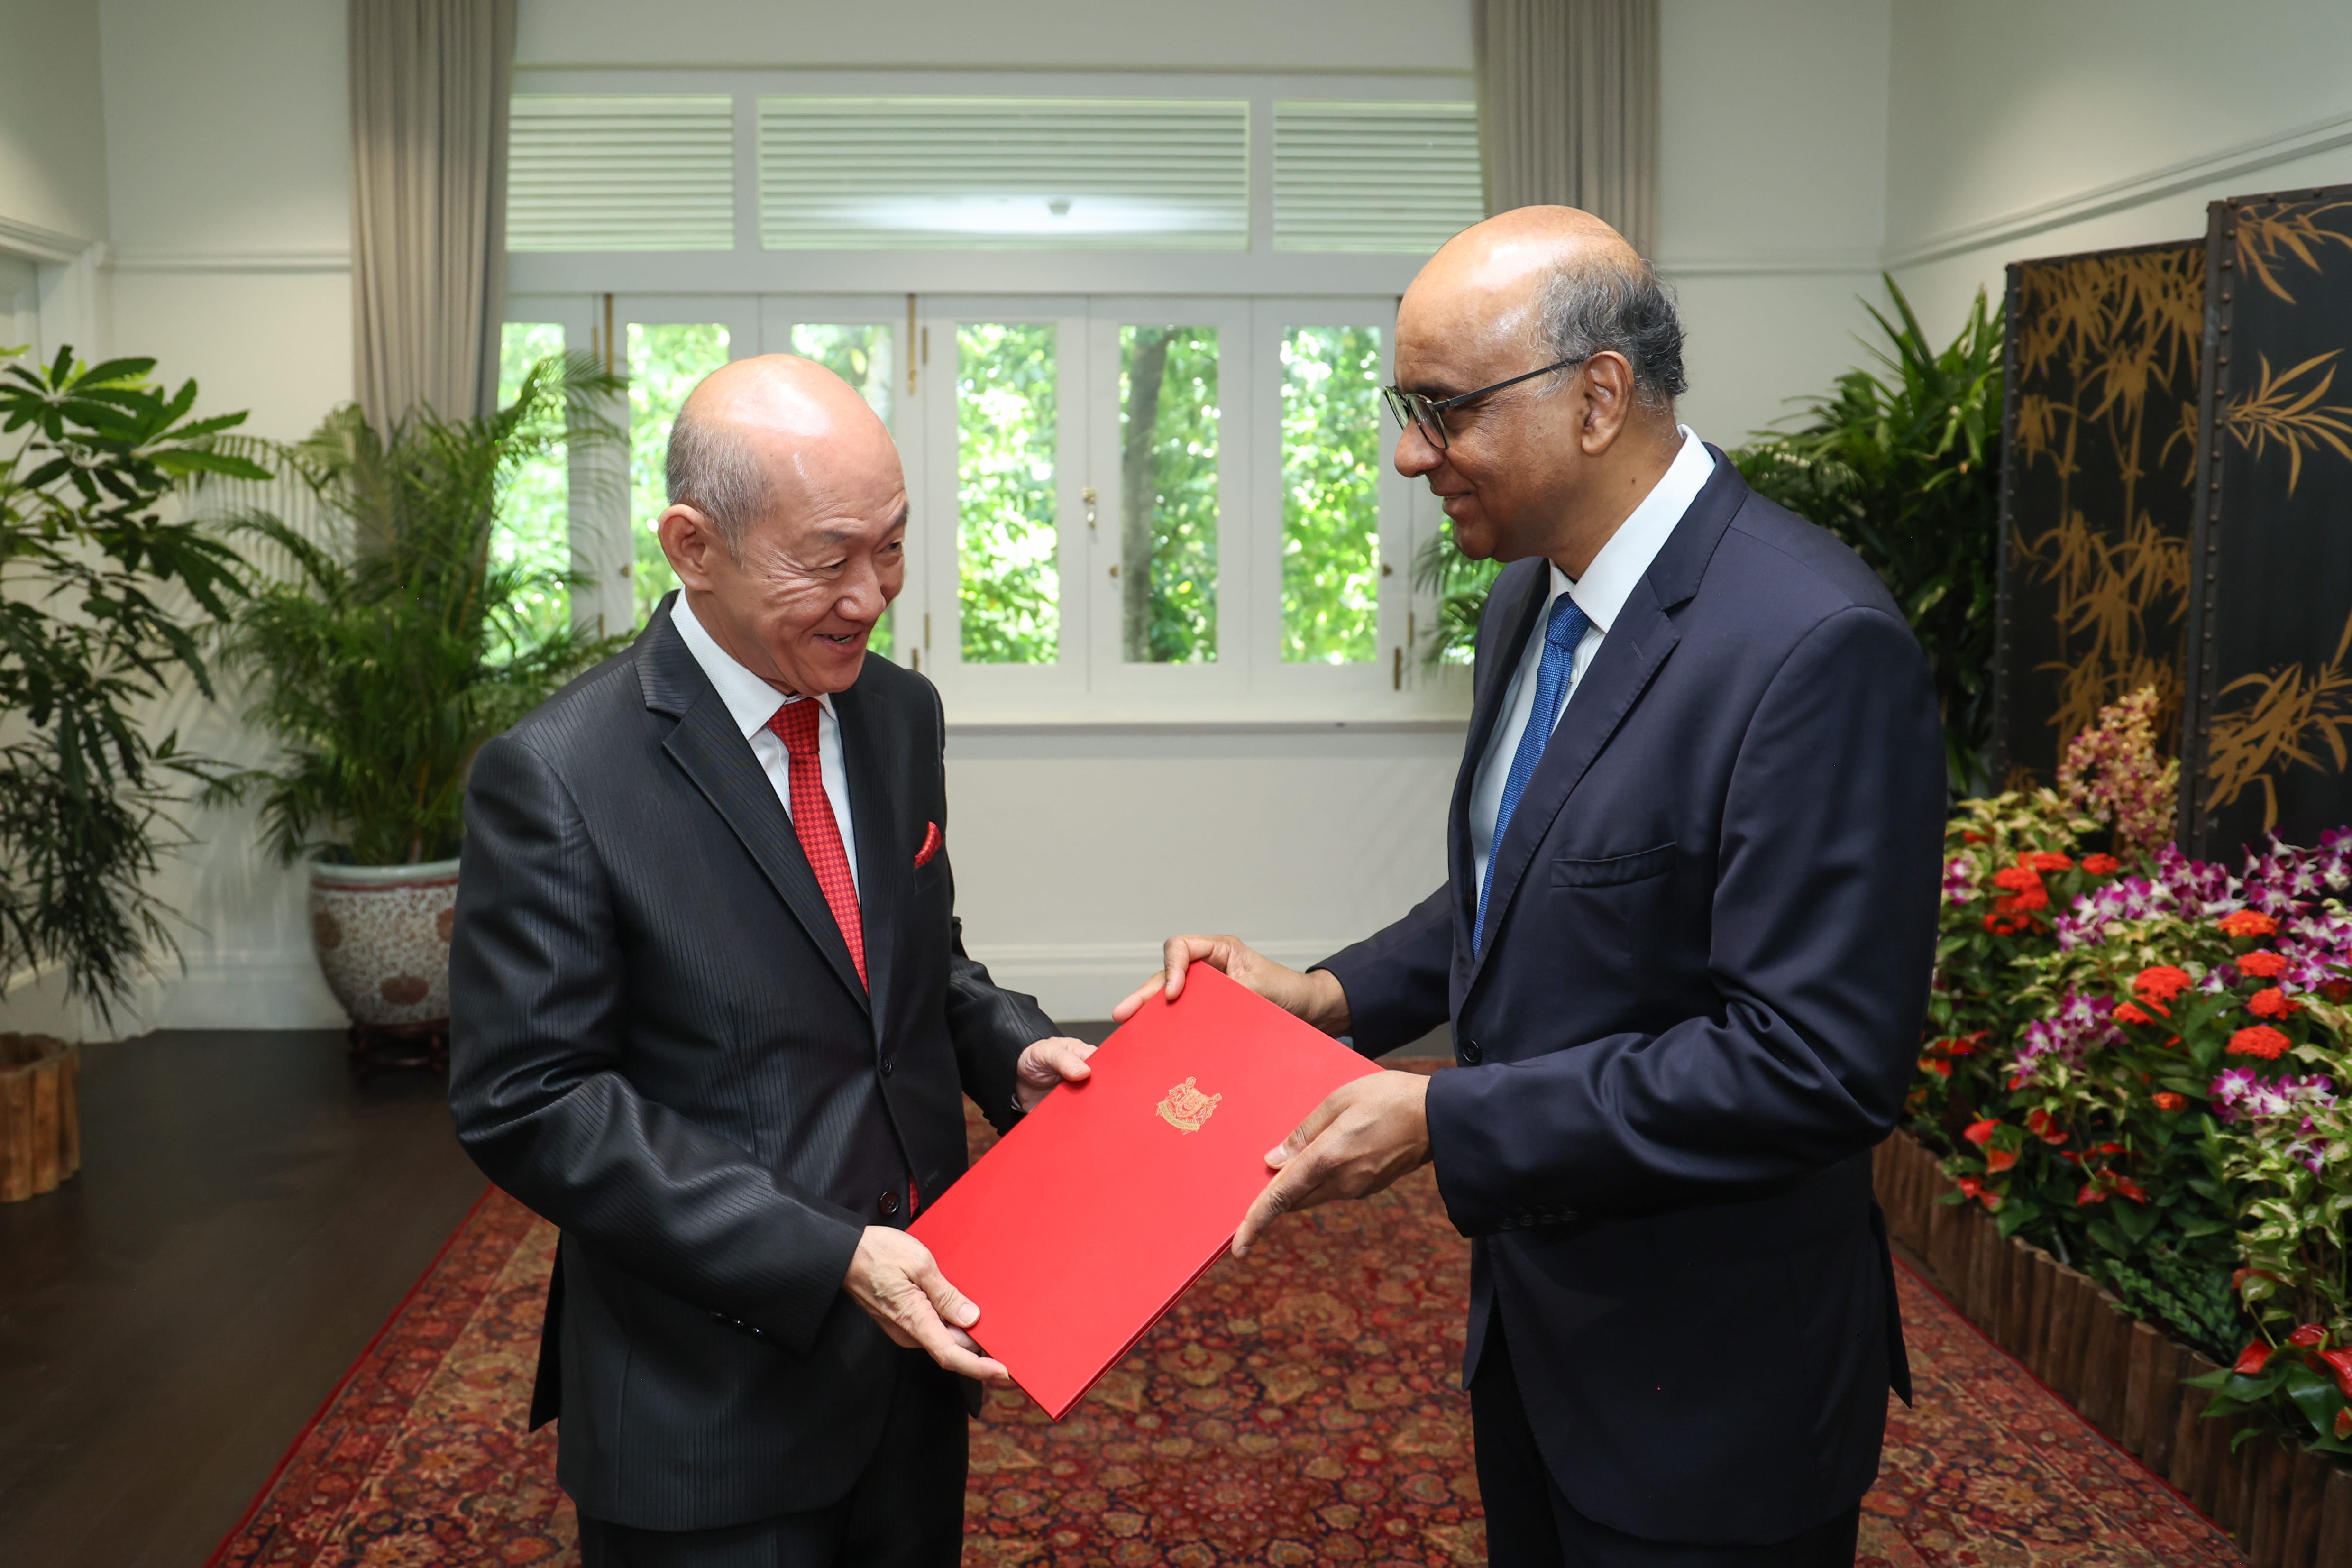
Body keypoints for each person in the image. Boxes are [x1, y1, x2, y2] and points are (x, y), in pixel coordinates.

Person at [1117, 207, 1945, 1567]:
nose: (1409, 454)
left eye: (1444, 410)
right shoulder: (1531, 596)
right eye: (1408, 409)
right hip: (1539, 1341)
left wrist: (1445, 1116)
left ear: (1596, 399)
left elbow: (1814, 1065)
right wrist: (1325, 994)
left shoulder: (1813, 643)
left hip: (1715, 1402)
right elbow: (1526, 883)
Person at [448, 355, 1096, 1568]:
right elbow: (529, 1099)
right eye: (828, 558)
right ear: (692, 546)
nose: (870, 596)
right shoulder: (558, 776)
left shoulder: (897, 712)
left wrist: (1008, 1048)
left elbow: (914, 961)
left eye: (892, 549)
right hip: (707, 1409)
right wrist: (825, 1252)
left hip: (912, 1365)